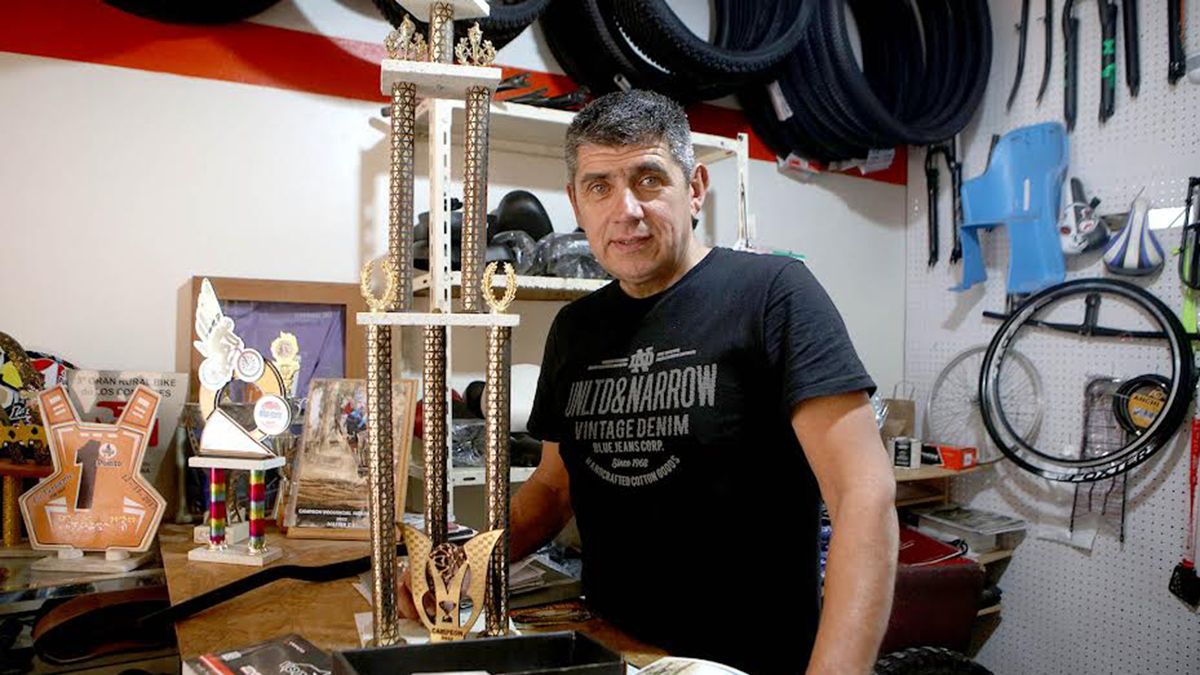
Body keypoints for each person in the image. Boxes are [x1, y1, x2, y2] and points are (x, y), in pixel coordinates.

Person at [401, 90, 897, 674]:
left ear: (695, 189)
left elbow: (863, 497)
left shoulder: (774, 295)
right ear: (576, 204)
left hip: (750, 661)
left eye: (648, 179)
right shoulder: (575, 328)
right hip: (614, 649)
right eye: (600, 187)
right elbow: (554, 489)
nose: (625, 210)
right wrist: (469, 561)